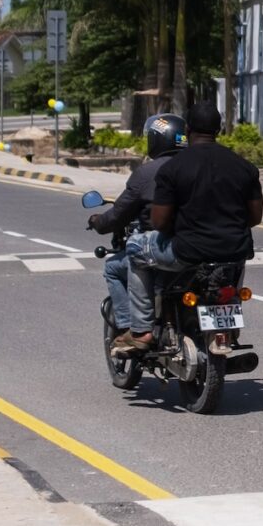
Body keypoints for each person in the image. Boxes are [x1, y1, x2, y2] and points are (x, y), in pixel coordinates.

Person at [114, 101, 263, 357]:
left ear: (189, 129)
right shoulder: (243, 166)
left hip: (187, 252)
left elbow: (160, 222)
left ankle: (140, 330)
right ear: (219, 129)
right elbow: (255, 217)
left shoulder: (173, 168)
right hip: (234, 251)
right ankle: (229, 323)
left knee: (135, 247)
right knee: (231, 264)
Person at [90, 114, 184, 350]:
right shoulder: (198, 166)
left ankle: (133, 328)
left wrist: (98, 221)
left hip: (164, 247)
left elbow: (120, 212)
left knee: (114, 266)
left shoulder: (147, 172)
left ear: (156, 139)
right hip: (203, 246)